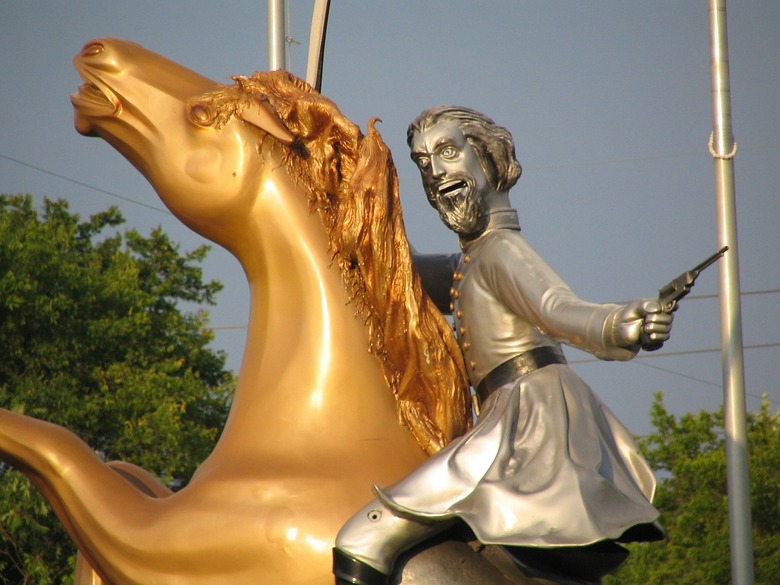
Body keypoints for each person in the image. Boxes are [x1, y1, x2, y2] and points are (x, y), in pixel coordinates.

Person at [333, 106, 673, 585]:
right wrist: (340, 207)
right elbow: (399, 271)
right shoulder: (469, 261)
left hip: (526, 418)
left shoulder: (501, 252)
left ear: (491, 160)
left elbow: (558, 309)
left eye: (448, 152)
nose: (434, 172)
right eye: (422, 162)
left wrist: (620, 324)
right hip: (506, 415)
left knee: (364, 538)